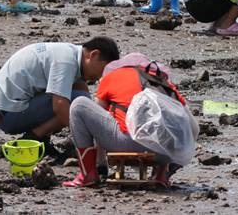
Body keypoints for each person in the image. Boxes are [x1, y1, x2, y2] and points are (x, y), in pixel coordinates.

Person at [63, 53, 198, 188]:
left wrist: (101, 164)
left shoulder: (113, 77)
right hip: (168, 154)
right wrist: (174, 158)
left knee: (79, 105)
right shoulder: (165, 84)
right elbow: (194, 129)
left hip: (126, 143)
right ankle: (161, 174)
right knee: (164, 126)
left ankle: (87, 175)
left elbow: (96, 120)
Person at [0, 37, 120, 159]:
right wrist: (87, 139)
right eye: (103, 70)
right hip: (7, 115)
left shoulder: (71, 54)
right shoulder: (66, 61)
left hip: (7, 109)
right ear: (93, 55)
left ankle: (40, 136)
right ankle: (36, 136)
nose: (101, 76)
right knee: (76, 101)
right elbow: (59, 105)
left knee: (80, 95)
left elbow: (84, 97)